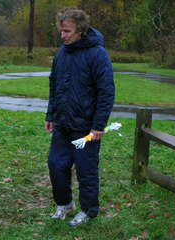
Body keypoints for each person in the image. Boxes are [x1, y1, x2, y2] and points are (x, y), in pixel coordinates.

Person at [45, 7, 115, 227]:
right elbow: (54, 85)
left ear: (81, 31)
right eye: (61, 31)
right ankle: (64, 204)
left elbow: (106, 91)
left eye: (67, 31)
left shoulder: (97, 54)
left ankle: (88, 211)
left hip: (86, 128)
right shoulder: (61, 53)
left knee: (86, 171)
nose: (63, 35)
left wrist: (98, 125)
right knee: (56, 164)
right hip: (63, 124)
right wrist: (51, 114)